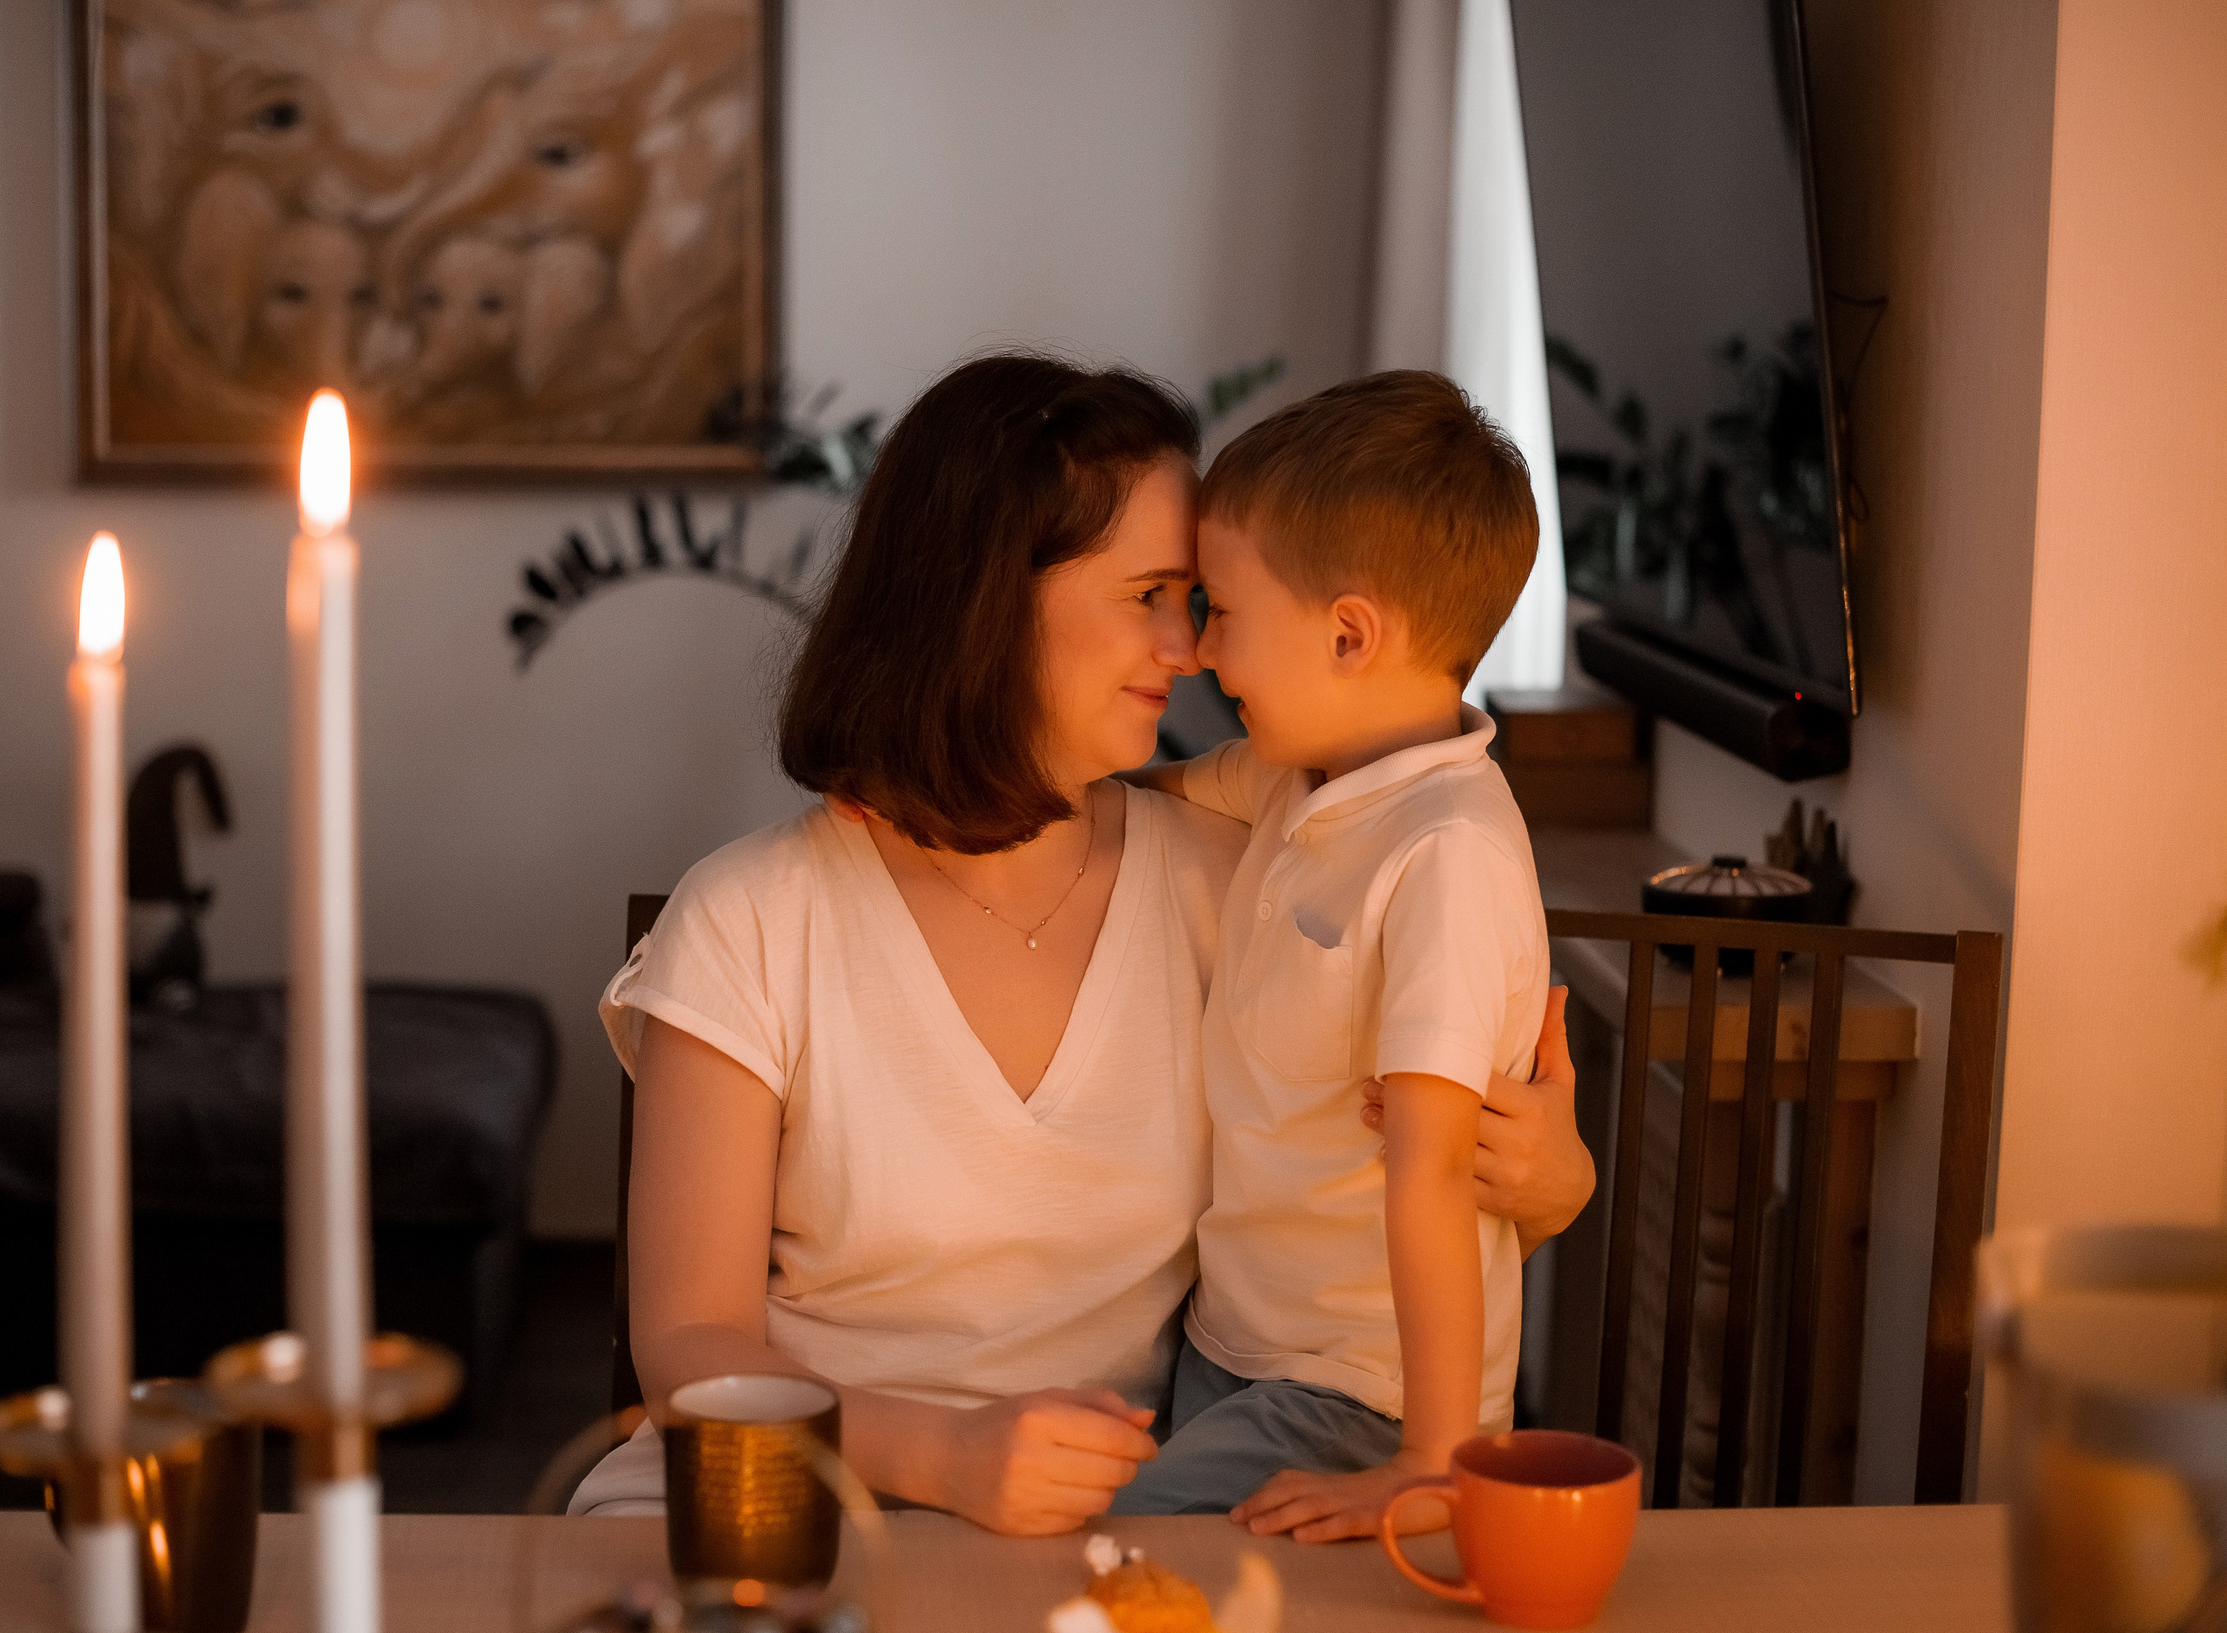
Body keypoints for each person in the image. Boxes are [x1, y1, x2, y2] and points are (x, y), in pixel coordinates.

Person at [567, 353, 1592, 1530]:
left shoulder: (1249, 881)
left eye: (1199, 599)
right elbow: (690, 1351)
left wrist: (1547, 1180)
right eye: (1152, 592)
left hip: (1119, 1516)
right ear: (990, 598)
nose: (1189, 648)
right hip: (784, 1483)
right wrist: (940, 1455)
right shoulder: (750, 915)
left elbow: (1375, 1166)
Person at [1111, 372, 1554, 1542]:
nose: (1200, 653)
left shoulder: (1447, 854)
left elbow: (1431, 1173)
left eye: (1221, 611)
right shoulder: (1297, 774)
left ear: (1349, 633)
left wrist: (1433, 1458)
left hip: (1361, 1391)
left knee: (1102, 1565)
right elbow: (1128, 797)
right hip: (1234, 1346)